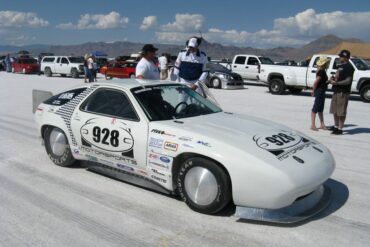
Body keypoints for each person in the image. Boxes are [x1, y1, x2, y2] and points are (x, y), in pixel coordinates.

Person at [328, 50, 355, 135]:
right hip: (336, 90)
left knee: (341, 111)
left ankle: (340, 128)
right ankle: (336, 126)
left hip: (343, 92)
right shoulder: (340, 66)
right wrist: (332, 79)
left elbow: (348, 80)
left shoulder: (349, 67)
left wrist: (337, 83)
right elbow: (337, 77)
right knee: (335, 110)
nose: (339, 58)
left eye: (341, 56)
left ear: (346, 57)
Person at [310, 56, 330, 131]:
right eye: (327, 63)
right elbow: (316, 82)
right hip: (320, 91)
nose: (328, 64)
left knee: (320, 108)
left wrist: (328, 81)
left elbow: (322, 83)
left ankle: (322, 124)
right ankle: (312, 124)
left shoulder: (322, 71)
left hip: (322, 90)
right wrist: (313, 90)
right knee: (316, 107)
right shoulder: (321, 72)